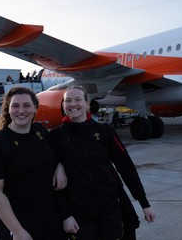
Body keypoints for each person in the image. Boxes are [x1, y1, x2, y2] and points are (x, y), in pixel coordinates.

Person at [49, 85, 156, 240]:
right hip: (79, 213)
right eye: (68, 101)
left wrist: (144, 204)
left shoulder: (104, 131)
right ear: (63, 106)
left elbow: (126, 167)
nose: (73, 104)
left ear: (87, 103)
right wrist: (66, 215)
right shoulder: (56, 136)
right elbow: (54, 185)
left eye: (78, 99)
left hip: (110, 208)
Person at [0, 87, 67, 240]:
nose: (21, 110)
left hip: (49, 214)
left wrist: (59, 167)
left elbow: (55, 153)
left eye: (27, 105)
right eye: (15, 106)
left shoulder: (39, 131)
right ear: (8, 109)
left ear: (35, 108)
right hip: (19, 217)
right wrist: (17, 230)